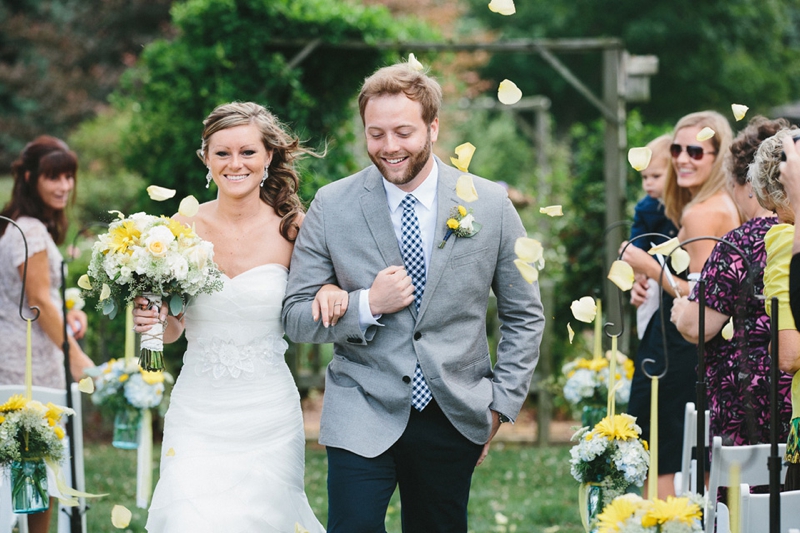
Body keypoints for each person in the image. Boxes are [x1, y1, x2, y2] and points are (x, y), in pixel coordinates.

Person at [282, 62, 545, 532]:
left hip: (453, 410)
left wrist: (500, 406)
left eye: (403, 132)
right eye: (376, 133)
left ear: (433, 127)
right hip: (361, 402)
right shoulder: (332, 204)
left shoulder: (489, 204)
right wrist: (365, 304)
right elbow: (295, 317)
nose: (389, 147)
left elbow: (524, 315)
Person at [132, 102, 329, 532]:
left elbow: (320, 294)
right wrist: (151, 320)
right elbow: (171, 330)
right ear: (205, 158)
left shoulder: (296, 228)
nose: (235, 164)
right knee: (189, 519)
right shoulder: (180, 227)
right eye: (222, 153)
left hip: (268, 412)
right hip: (198, 411)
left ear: (269, 157)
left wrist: (329, 288)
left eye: (247, 152)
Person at [620, 111, 741, 498]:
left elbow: (700, 295)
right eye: (677, 149)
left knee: (665, 451)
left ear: (718, 158)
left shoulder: (705, 211)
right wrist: (647, 287)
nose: (682, 159)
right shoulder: (702, 205)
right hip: (675, 348)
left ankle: (665, 519)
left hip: (682, 355)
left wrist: (647, 268)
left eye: (696, 151)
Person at [671, 116, 793, 455]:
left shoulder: (740, 243)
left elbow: (699, 326)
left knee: (746, 499)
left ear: (752, 184)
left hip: (751, 405)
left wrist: (682, 310)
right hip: (794, 398)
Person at [0, 136, 95, 533]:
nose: (63, 186)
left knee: (25, 467)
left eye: (69, 177)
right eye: (53, 177)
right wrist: (73, 355)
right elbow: (38, 300)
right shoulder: (32, 231)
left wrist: (69, 311)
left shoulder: (19, 227)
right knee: (37, 468)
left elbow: (28, 295)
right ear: (28, 177)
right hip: (29, 363)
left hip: (16, 354)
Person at [757, 129, 800, 492]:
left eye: (772, 210)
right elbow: (789, 351)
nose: (774, 219)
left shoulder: (787, 234)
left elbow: (785, 352)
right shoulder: (786, 235)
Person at [629, 134, 678, 340]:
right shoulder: (645, 207)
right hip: (652, 276)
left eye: (655, 176)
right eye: (644, 177)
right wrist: (638, 271)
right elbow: (637, 240)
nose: (648, 183)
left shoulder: (685, 208)